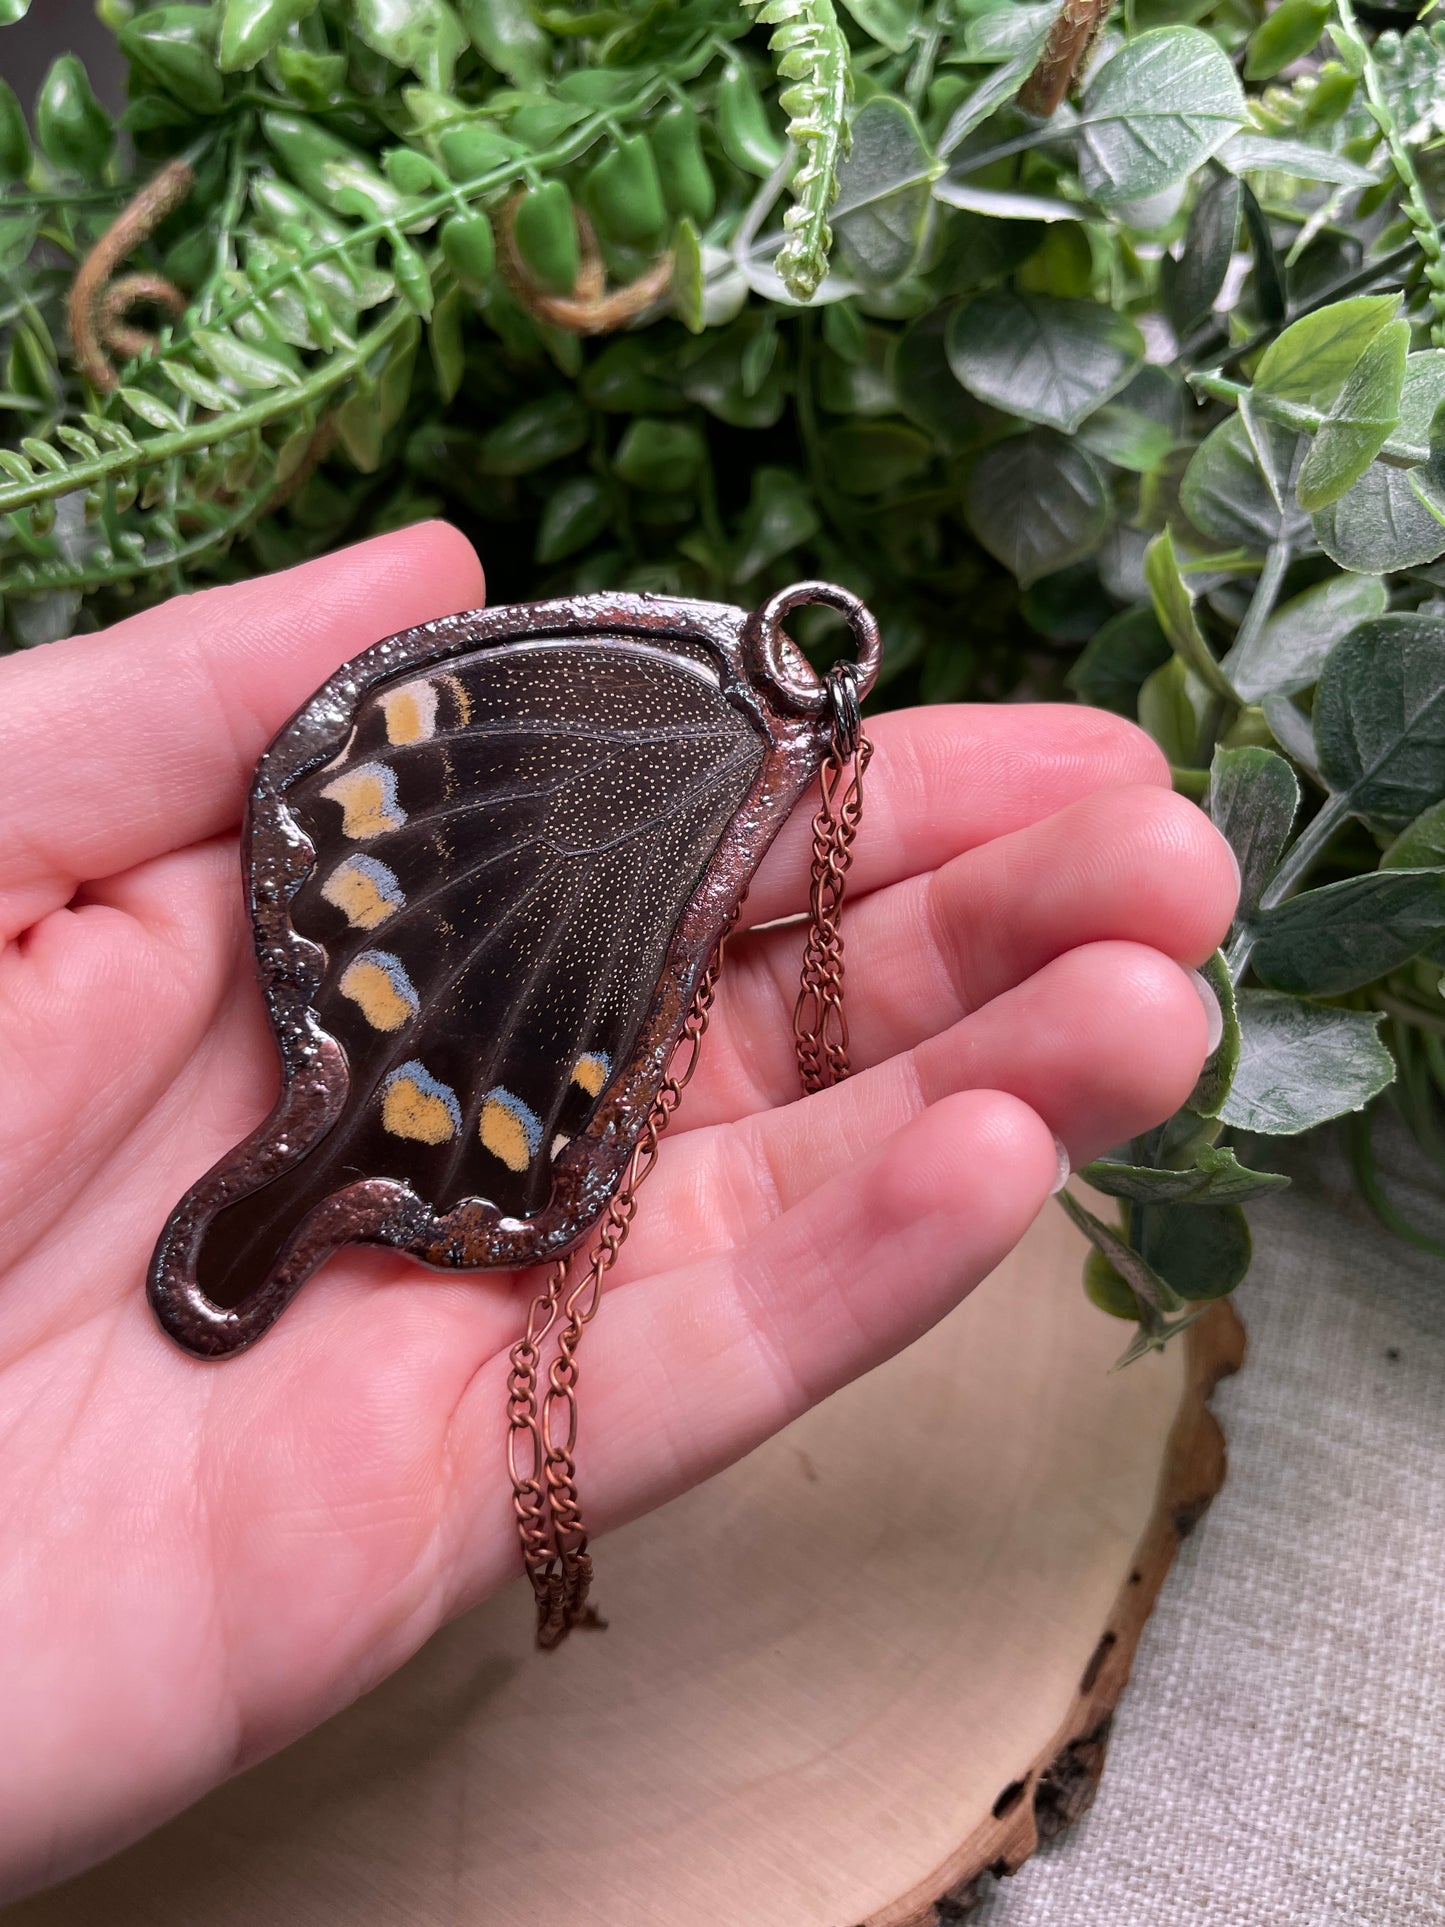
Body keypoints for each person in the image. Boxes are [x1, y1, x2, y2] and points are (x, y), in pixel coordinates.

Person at [0, 523, 1237, 1900]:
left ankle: (384, 1138)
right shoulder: (678, 681)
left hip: (502, 986)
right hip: (459, 935)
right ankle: (380, 1136)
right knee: (456, 1064)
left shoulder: (680, 682)